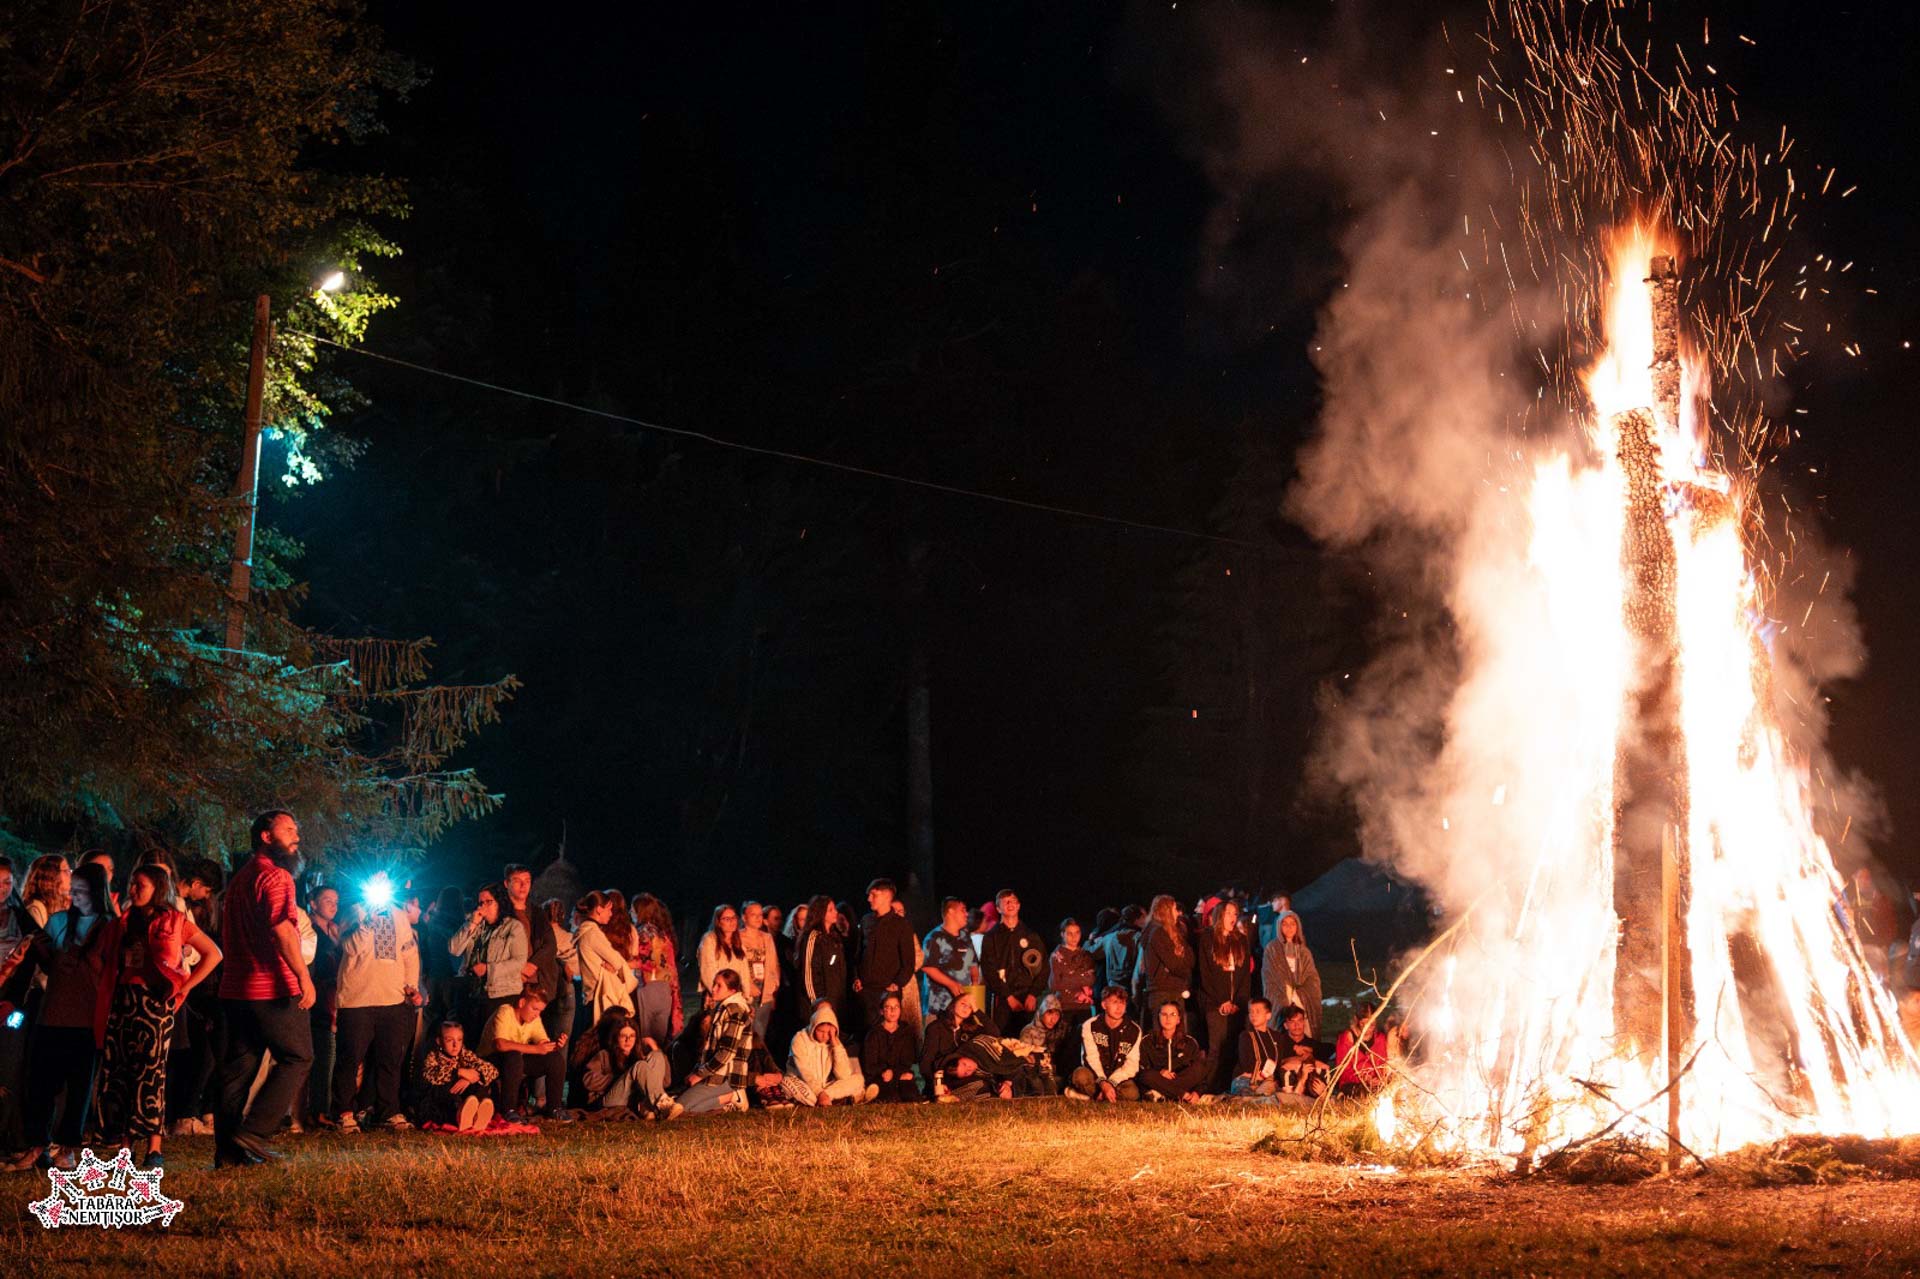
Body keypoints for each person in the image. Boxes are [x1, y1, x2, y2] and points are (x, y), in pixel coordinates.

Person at [98, 865, 222, 1169]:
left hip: (156, 1002)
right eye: (131, 884)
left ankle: (154, 1147)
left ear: (158, 887)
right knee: (121, 1072)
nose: (133, 890)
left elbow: (213, 954)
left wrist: (184, 989)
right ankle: (124, 1147)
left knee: (151, 1072)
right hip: (124, 1000)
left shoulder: (176, 921)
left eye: (140, 884)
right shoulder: (123, 922)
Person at [214, 810, 316, 1168]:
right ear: (266, 837)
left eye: (296, 829)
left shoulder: (241, 879)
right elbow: (282, 930)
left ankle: (227, 1154)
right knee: (298, 1056)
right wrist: (303, 976)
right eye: (289, 829)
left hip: (235, 988)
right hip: (270, 987)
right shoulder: (276, 877)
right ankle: (255, 1132)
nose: (296, 836)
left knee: (237, 1071)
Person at [7, 861, 119, 1171]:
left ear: (97, 893)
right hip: (52, 1014)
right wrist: (45, 955)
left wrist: (80, 962)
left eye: (82, 892)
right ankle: (37, 1146)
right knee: (42, 1085)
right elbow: (43, 965)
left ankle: (69, 1147)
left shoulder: (110, 927)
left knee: (79, 1089)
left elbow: (111, 972)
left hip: (87, 1018)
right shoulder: (57, 922)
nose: (75, 898)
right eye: (73, 892)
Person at [330, 882, 423, 1133]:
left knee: (390, 1060)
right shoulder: (355, 911)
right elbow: (349, 948)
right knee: (350, 1059)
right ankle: (344, 1112)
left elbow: (409, 952)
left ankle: (387, 1111)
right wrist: (368, 923)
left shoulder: (399, 916)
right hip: (357, 999)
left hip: (391, 999)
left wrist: (411, 985)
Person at [448, 882, 528, 1039]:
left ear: (499, 902)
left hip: (502, 994)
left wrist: (489, 969)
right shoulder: (476, 925)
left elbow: (519, 961)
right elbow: (454, 949)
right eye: (480, 903)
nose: (483, 907)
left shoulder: (514, 927)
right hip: (475, 993)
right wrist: (471, 924)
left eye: (488, 902)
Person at [673, 968, 755, 1115]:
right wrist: (696, 1071)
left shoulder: (734, 1011)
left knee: (679, 1108)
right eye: (714, 984)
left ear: (732, 990)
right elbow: (709, 1048)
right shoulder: (722, 1009)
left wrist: (700, 1074)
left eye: (719, 986)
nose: (713, 989)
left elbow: (727, 1052)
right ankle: (726, 1101)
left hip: (725, 1076)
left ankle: (733, 1096)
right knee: (682, 1106)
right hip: (714, 1074)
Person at [484, 988, 573, 1123]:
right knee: (513, 1056)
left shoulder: (534, 1019)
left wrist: (555, 1046)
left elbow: (542, 1042)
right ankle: (509, 1110)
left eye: (540, 1011)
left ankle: (554, 1108)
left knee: (555, 1059)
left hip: (516, 1060)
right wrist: (536, 1049)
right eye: (534, 1009)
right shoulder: (505, 1011)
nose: (537, 1014)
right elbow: (500, 1045)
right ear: (522, 1003)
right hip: (491, 1060)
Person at [1197, 899, 1252, 1092]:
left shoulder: (1241, 940)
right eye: (1229, 913)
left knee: (1234, 1047)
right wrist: (1222, 1001)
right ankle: (1208, 1088)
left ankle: (1230, 1088)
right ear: (1220, 915)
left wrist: (1238, 1002)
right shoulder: (1208, 938)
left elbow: (1245, 975)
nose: (1233, 917)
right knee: (1216, 1048)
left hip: (1237, 1004)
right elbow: (1206, 975)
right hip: (1215, 1004)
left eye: (1235, 914)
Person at [580, 1019, 682, 1119]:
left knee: (656, 1055)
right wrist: (621, 1078)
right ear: (616, 1037)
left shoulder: (639, 1055)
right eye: (623, 1036)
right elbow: (588, 1080)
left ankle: (647, 1108)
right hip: (610, 1100)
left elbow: (665, 1082)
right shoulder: (604, 1055)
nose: (628, 1040)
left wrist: (655, 1048)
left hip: (634, 1100)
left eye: (632, 1036)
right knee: (640, 1066)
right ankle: (663, 1105)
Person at [303, 883, 343, 1130]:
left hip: (334, 998)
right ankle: (317, 1111)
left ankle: (323, 1108)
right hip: (316, 998)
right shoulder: (309, 929)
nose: (333, 905)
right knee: (322, 1055)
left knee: (330, 1055)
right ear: (313, 903)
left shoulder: (335, 930)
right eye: (327, 899)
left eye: (336, 901)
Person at [854, 879, 917, 1033]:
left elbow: (908, 961)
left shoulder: (901, 925)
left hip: (888, 990)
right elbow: (858, 954)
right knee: (866, 1033)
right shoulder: (866, 920)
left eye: (873, 895)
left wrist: (896, 984)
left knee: (888, 1032)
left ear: (887, 896)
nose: (869, 899)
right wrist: (856, 977)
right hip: (866, 991)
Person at [782, 1000, 872, 1106]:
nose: (825, 1036)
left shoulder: (833, 1040)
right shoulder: (799, 1039)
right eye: (821, 1031)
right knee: (793, 1086)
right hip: (801, 1082)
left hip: (824, 1086)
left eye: (828, 1032)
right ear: (814, 1026)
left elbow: (843, 1075)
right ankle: (840, 1100)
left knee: (858, 1079)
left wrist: (836, 1045)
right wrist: (819, 1092)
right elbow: (805, 1072)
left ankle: (828, 1098)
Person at [980, 889, 1045, 1035]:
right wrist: (1008, 997)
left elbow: (1044, 967)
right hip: (1002, 1000)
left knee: (1028, 1044)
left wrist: (1033, 994)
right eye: (1006, 902)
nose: (1011, 904)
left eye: (1014, 901)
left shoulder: (1031, 935)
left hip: (1027, 999)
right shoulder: (991, 937)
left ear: (1019, 905)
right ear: (998, 908)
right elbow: (988, 970)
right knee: (1001, 1043)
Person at [416, 1021, 498, 1132]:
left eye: (459, 1040)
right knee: (444, 1089)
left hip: (462, 1097)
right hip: (441, 1103)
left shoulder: (464, 1054)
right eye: (449, 1040)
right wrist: (458, 1072)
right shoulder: (433, 1056)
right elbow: (430, 1075)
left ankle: (477, 1113)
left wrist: (469, 1078)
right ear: (439, 1041)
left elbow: (492, 1070)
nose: (455, 1045)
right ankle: (460, 1115)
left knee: (479, 1083)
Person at [503, 864, 562, 1013]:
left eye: (527, 881)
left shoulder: (537, 912)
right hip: (509, 980)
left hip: (536, 980)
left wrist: (532, 965)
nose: (523, 886)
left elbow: (550, 944)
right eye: (517, 881)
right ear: (507, 884)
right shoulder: (501, 912)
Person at [1068, 986, 1141, 1103]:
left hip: (1118, 1078)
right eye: (1114, 1002)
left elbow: (1132, 1064)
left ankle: (1090, 1097)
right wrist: (1102, 1082)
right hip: (1095, 1076)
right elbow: (1090, 1057)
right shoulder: (1090, 1025)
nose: (1119, 1007)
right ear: (1104, 1005)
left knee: (1132, 1093)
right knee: (1080, 1075)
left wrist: (1111, 1082)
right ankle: (1104, 1096)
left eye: (1122, 1003)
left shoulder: (1134, 1030)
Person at [574, 891, 637, 1023]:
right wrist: (616, 968)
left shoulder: (586, 931)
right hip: (599, 996)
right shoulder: (593, 933)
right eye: (609, 909)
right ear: (599, 909)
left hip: (591, 994)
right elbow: (617, 960)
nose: (611, 914)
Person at [631, 893, 683, 1048]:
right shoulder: (662, 933)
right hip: (665, 988)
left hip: (649, 985)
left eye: (632, 909)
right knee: (660, 1035)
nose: (630, 912)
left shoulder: (643, 932)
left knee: (646, 1034)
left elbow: (646, 961)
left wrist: (621, 963)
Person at [1135, 895, 1194, 1028]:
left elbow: (1190, 957)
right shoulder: (1158, 933)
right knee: (1163, 1035)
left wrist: (1183, 962)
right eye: (1174, 909)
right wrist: (1185, 970)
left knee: (1176, 1036)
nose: (1177, 913)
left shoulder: (1173, 932)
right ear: (1166, 910)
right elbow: (1173, 964)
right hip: (1164, 991)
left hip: (1171, 988)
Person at [1262, 911, 1323, 1039]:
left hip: (1302, 1000)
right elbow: (1269, 977)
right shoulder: (1272, 949)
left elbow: (1312, 978)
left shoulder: (1304, 951)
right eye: (1285, 924)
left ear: (1298, 926)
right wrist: (1285, 993)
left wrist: (1299, 993)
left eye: (1292, 924)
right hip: (1281, 998)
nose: (1289, 928)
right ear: (1279, 926)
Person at [919, 897, 979, 1024]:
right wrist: (951, 984)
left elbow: (973, 963)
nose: (966, 914)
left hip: (963, 1008)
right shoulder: (934, 937)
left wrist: (975, 982)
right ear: (951, 911)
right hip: (939, 1007)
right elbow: (927, 967)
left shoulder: (965, 937)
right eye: (963, 910)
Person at [1047, 918, 1096, 1069]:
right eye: (1069, 934)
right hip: (1065, 1005)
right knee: (1064, 1041)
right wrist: (1080, 978)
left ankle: (1079, 1071)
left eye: (1077, 933)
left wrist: (1069, 975)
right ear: (1062, 934)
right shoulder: (1057, 955)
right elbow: (1056, 984)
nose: (1074, 937)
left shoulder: (1085, 954)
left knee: (1083, 1041)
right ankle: (1062, 1072)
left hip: (1084, 1006)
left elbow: (1091, 978)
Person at [1137, 1000, 1209, 1103]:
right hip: (1157, 1080)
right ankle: (1181, 1095)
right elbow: (1142, 1069)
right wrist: (1160, 1072)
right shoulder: (1147, 1041)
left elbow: (1200, 1075)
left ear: (1179, 1019)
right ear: (1158, 1017)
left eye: (1173, 1014)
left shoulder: (1190, 1042)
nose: (1168, 1018)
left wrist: (1197, 1092)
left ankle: (1165, 1094)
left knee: (1200, 1068)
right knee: (1146, 1076)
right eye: (1164, 1014)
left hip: (1179, 1082)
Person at [919, 991, 990, 1095]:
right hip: (942, 1077)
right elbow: (926, 1063)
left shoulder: (972, 1029)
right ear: (954, 1003)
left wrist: (977, 1010)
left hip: (965, 1076)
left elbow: (994, 1033)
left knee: (982, 1084)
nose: (966, 1008)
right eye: (963, 1003)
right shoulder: (936, 1028)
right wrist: (936, 1084)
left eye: (970, 1007)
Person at [798, 894, 849, 1028]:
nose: (835, 912)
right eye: (831, 910)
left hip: (836, 1001)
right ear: (821, 912)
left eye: (835, 909)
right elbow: (808, 972)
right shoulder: (813, 937)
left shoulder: (834, 938)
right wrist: (817, 1002)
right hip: (819, 1003)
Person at [861, 992, 920, 1102]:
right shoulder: (874, 1034)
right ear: (882, 1011)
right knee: (890, 1098)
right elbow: (869, 1066)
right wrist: (885, 1072)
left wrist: (895, 1073)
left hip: (900, 1073)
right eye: (888, 1007)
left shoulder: (906, 1032)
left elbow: (907, 1061)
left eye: (896, 1007)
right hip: (880, 1076)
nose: (893, 1011)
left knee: (911, 1096)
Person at [697, 904, 753, 1014]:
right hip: (717, 995)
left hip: (735, 995)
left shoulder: (737, 941)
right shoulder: (710, 939)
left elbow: (744, 970)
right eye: (726, 919)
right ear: (718, 922)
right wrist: (718, 992)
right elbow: (708, 970)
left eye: (733, 918)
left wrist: (747, 996)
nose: (731, 921)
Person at [739, 902, 781, 1042]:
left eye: (760, 915)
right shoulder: (737, 938)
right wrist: (747, 984)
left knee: (759, 1033)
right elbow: (735, 965)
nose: (758, 918)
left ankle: (756, 1062)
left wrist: (773, 990)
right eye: (753, 915)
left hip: (765, 992)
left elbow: (773, 965)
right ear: (744, 917)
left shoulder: (766, 937)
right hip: (745, 991)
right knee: (743, 1031)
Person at [1331, 1002, 1391, 1096]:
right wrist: (1364, 1079)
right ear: (1357, 1020)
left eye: (1371, 1025)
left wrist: (1379, 1078)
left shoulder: (1380, 1039)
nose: (1368, 1029)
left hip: (1376, 1083)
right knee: (1364, 1093)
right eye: (1364, 1024)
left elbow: (1383, 1064)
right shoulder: (1347, 1039)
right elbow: (1343, 1071)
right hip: (1353, 1084)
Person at [542, 898, 580, 1041]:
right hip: (567, 987)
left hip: (546, 987)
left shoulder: (540, 938)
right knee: (562, 1040)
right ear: (563, 916)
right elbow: (576, 969)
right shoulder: (570, 938)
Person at [1230, 998, 1284, 1097]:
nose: (1253, 1015)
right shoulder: (1246, 1036)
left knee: (1281, 1097)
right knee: (1248, 1097)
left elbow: (1279, 1062)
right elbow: (1246, 1064)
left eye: (1258, 1012)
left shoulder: (1277, 1037)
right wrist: (1258, 1077)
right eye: (1251, 1012)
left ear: (1268, 1015)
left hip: (1268, 1082)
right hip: (1246, 1080)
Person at [1094, 905, 1145, 1009]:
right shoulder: (1139, 938)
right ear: (1137, 919)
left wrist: (1090, 940)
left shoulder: (1109, 937)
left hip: (1112, 988)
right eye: (1144, 916)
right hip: (1131, 989)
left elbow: (1092, 951)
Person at [1276, 1004, 1331, 1099]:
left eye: (1300, 1020)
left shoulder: (1312, 1044)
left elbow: (1330, 1050)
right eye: (1292, 1021)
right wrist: (1298, 1054)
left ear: (1304, 1023)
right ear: (1285, 1025)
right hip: (1288, 1089)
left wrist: (1310, 1051)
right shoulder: (1279, 1043)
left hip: (1314, 1089)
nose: (1296, 1025)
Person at [1018, 992, 1072, 1087]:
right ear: (1042, 1012)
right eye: (1049, 1014)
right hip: (1034, 1075)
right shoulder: (1028, 1031)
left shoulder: (1059, 1032)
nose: (1053, 1019)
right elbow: (1023, 1060)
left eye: (1057, 1015)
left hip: (1054, 1074)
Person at [21, 854, 70, 928]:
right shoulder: (36, 909)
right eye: (66, 871)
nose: (70, 874)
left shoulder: (64, 903)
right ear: (51, 875)